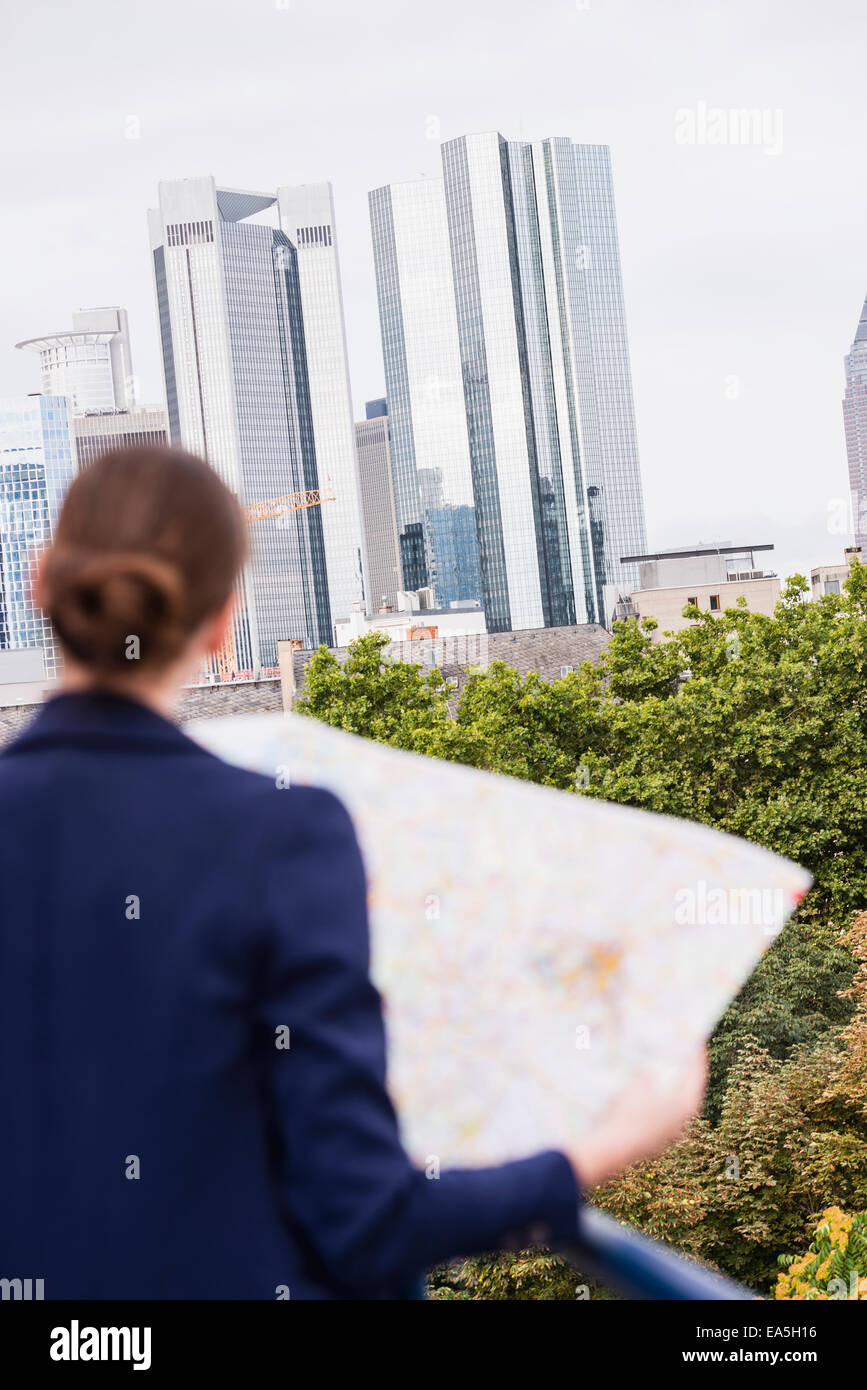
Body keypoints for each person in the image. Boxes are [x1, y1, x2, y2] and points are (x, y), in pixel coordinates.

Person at [0, 446, 706, 1300]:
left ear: (39, 582)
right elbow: (366, 1220)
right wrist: (603, 1146)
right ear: (224, 621)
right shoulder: (278, 833)